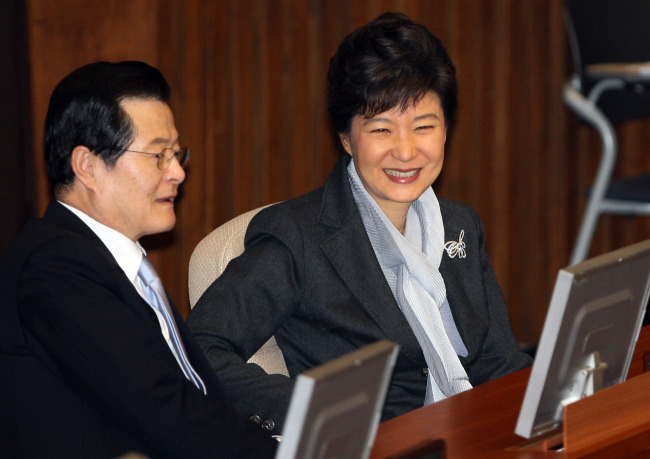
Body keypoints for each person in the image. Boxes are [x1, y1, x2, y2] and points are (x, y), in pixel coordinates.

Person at [188, 12, 532, 434]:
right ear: (347, 138)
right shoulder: (296, 237)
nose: (406, 152)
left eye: (424, 126)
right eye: (382, 129)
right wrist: (316, 410)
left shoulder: (460, 224)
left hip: (475, 430)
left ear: (446, 131)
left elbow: (498, 362)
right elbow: (200, 349)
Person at [0, 61, 277, 458]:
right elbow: (163, 411)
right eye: (158, 155)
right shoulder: (54, 268)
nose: (178, 172)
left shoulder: (106, 262)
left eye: (176, 153)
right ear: (88, 166)